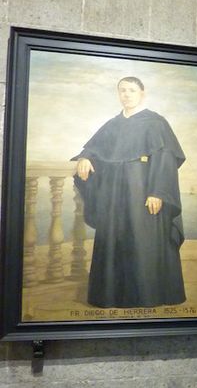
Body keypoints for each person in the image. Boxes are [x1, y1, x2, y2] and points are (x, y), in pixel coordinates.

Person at [72, 76, 187, 308]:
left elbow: (165, 159)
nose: (126, 95)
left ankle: (147, 296)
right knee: (114, 240)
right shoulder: (113, 124)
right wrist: (85, 158)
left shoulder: (156, 123)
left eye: (132, 90)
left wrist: (158, 192)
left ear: (142, 93)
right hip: (114, 194)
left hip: (143, 191)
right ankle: (110, 296)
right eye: (122, 90)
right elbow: (94, 149)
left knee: (143, 242)